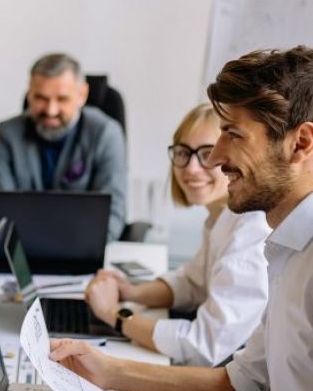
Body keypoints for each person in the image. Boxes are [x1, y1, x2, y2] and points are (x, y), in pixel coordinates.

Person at [50, 45, 313, 391]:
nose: (214, 157)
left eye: (233, 134)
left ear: (301, 143)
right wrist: (109, 372)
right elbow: (241, 386)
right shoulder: (287, 249)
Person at [85, 103, 270, 366]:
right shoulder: (221, 216)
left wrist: (114, 314)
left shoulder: (251, 231)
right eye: (183, 153)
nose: (191, 169)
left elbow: (203, 345)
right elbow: (193, 283)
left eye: (207, 153)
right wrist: (130, 292)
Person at [0, 53, 127, 241]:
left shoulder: (106, 134)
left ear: (82, 95)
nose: (51, 110)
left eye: (62, 99)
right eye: (41, 98)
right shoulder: (7, 134)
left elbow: (112, 215)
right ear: (29, 93)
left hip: (82, 251)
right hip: (18, 252)